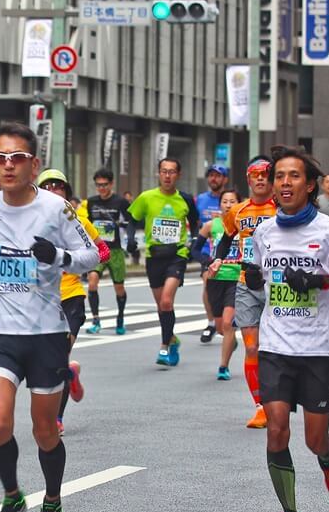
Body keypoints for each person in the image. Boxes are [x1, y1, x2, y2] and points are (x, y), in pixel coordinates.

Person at [0, 122, 98, 512]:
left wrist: (59, 255)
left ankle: (52, 499)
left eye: (17, 158)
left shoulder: (57, 209)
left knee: (44, 430)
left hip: (46, 334)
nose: (8, 165)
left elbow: (95, 254)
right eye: (0, 158)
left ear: (33, 164)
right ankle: (13, 495)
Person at [244, 144, 329, 512]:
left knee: (314, 439)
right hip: (276, 346)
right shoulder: (264, 232)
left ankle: (328, 458)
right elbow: (262, 278)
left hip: (319, 350)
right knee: (276, 430)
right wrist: (252, 280)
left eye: (293, 176)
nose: (283, 183)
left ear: (310, 185)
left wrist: (322, 281)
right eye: (279, 176)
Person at [38, 168, 108, 435]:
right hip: (42, 300)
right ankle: (71, 373)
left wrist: (77, 262)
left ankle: (57, 418)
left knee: (57, 358)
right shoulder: (29, 224)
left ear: (66, 193)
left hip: (71, 297)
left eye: (59, 187)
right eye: (48, 186)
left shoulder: (79, 222)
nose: (53, 191)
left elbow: (102, 251)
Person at [215, 156, 276, 428]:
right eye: (255, 174)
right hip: (245, 283)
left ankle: (282, 394)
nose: (261, 178)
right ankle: (261, 406)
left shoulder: (282, 208)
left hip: (278, 284)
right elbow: (226, 238)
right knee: (252, 346)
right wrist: (217, 258)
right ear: (248, 179)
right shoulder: (237, 211)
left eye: (265, 174)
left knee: (276, 347)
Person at [127, 157, 199, 367]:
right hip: (154, 257)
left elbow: (194, 223)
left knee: (167, 301)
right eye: (164, 171)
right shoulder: (147, 197)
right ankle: (173, 339)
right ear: (158, 174)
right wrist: (130, 239)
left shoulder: (184, 199)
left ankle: (164, 346)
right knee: (162, 306)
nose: (168, 176)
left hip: (177, 255)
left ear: (178, 175)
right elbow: (132, 219)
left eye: (172, 172)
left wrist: (192, 242)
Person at [191, 188, 241, 380]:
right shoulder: (211, 225)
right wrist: (207, 260)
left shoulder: (243, 224)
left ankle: (223, 366)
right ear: (219, 204)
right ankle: (231, 342)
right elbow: (194, 250)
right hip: (215, 279)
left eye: (232, 201)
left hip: (236, 278)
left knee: (228, 324)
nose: (228, 205)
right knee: (221, 328)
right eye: (225, 201)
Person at [83, 167, 134, 335]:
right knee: (92, 282)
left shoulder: (120, 202)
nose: (101, 188)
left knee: (119, 287)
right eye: (98, 185)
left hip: (115, 251)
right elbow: (88, 224)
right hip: (98, 250)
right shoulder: (91, 202)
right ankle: (96, 320)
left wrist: (125, 231)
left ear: (111, 184)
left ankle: (120, 318)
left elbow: (131, 222)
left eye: (105, 185)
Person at [196, 165, 230, 341]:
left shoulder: (231, 199)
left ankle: (226, 318)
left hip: (230, 253)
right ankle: (210, 322)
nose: (213, 179)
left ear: (225, 179)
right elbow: (194, 221)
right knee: (207, 282)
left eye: (218, 176)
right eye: (210, 176)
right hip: (208, 252)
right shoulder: (200, 199)